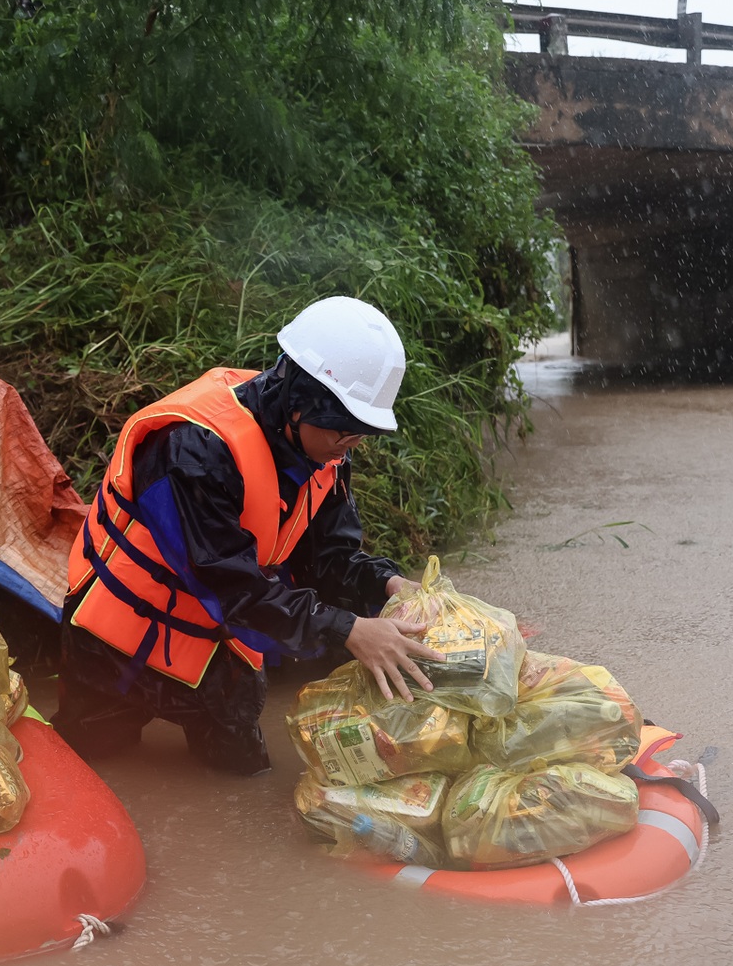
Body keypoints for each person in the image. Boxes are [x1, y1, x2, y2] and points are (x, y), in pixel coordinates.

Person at [53, 296, 446, 776]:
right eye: (345, 432)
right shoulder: (192, 450)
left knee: (243, 770)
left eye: (360, 433)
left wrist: (388, 583)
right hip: (113, 642)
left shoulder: (325, 450)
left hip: (213, 642)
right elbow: (230, 586)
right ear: (300, 403)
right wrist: (347, 629)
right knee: (88, 761)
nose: (352, 446)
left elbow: (328, 556)